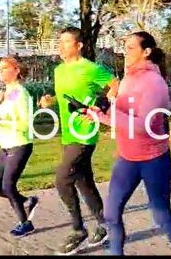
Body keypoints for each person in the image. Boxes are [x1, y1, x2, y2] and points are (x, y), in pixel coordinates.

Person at [93, 31, 171, 255]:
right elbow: (121, 115)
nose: (125, 52)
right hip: (127, 158)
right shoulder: (128, 78)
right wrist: (100, 113)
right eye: (125, 47)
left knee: (160, 215)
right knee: (111, 213)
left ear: (146, 52)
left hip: (154, 159)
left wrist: (107, 117)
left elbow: (142, 125)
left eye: (130, 48)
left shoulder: (155, 83)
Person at [38, 27, 120, 255]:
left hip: (85, 132)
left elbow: (115, 85)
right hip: (67, 133)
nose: (61, 46)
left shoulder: (91, 69)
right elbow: (64, 96)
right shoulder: (59, 70)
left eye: (66, 42)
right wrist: (50, 100)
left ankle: (77, 229)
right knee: (84, 180)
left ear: (79, 45)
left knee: (62, 179)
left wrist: (102, 104)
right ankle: (105, 225)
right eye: (60, 41)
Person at [0, 57, 39, 237]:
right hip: (5, 145)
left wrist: (0, 121)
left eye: (5, 68)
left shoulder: (20, 93)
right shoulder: (3, 94)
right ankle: (26, 201)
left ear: (16, 70)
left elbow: (24, 124)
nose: (0, 71)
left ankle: (25, 223)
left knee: (8, 186)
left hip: (20, 144)